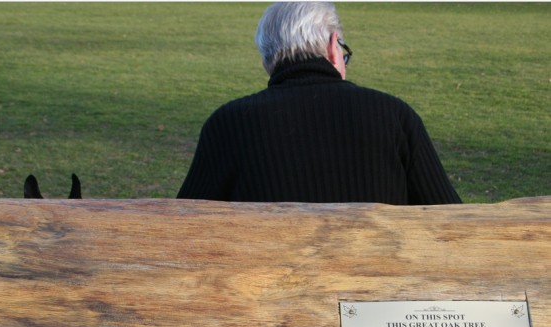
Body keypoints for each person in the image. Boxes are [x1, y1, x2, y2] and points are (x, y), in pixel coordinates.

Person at [177, 2, 461, 205]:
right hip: (377, 288)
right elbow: (449, 219)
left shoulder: (228, 124)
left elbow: (184, 226)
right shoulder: (394, 116)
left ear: (267, 61)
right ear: (332, 46)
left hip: (268, 288)